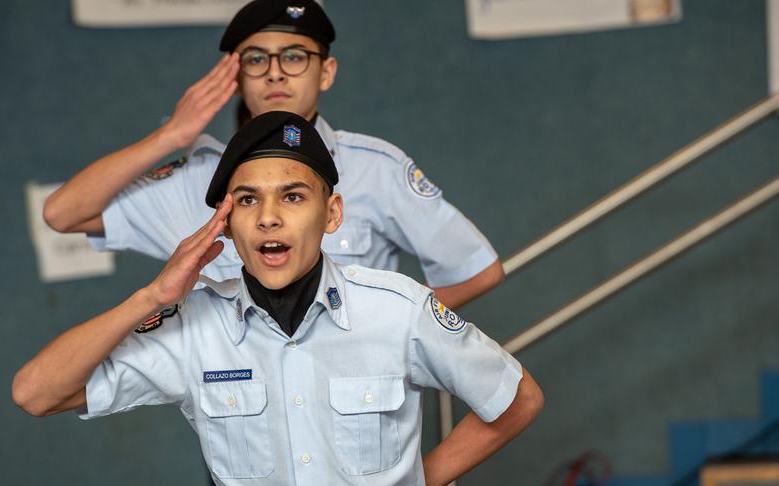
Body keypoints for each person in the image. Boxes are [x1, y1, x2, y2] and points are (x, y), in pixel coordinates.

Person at [14, 112, 544, 486]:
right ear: (225, 222)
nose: (269, 217)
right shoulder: (193, 327)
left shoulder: (396, 309)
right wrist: (151, 295)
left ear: (331, 213)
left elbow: (516, 400)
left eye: (293, 196)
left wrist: (414, 485)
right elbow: (36, 393)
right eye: (247, 200)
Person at [42, 0, 504, 309]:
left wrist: (386, 328)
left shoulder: (373, 168)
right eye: (256, 59)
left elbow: (476, 270)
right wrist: (171, 137)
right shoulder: (197, 178)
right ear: (237, 76)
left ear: (326, 72)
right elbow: (64, 213)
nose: (276, 74)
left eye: (295, 56)